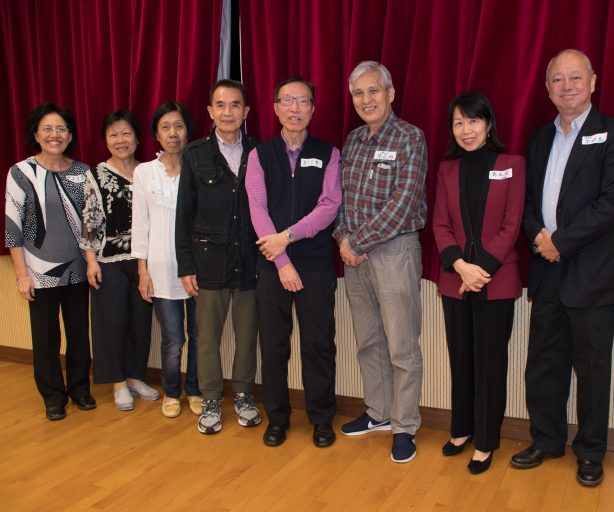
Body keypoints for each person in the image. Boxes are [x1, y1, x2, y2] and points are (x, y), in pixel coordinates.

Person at [511, 49, 614, 486]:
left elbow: (611, 203)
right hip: (546, 270)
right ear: (547, 88)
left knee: (593, 370)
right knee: (544, 364)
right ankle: (546, 440)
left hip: (592, 272)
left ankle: (591, 452)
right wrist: (539, 239)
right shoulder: (539, 137)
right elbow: (527, 200)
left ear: (593, 82)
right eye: (558, 80)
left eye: (575, 77)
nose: (567, 86)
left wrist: (559, 242)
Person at [333, 60, 428, 463]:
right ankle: (378, 412)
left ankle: (404, 426)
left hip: (394, 251)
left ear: (390, 93)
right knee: (369, 341)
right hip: (353, 255)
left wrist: (357, 241)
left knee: (402, 345)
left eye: (373, 90)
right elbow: (339, 198)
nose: (366, 99)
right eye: (358, 93)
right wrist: (343, 239)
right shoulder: (353, 140)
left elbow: (404, 203)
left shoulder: (410, 137)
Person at [245, 77, 341, 448]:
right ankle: (277, 418)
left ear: (313, 109)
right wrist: (282, 261)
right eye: (287, 100)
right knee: (273, 345)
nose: (295, 108)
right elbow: (258, 209)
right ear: (275, 108)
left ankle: (322, 418)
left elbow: (329, 206)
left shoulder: (329, 153)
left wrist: (287, 237)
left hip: (315, 264)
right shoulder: (259, 156)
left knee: (318, 344)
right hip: (272, 266)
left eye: (302, 101)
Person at [432, 91, 525, 474]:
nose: (466, 129)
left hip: (496, 280)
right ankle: (461, 429)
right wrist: (461, 267)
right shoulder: (447, 169)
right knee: (461, 359)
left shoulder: (512, 164)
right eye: (458, 122)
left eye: (473, 120)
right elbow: (440, 223)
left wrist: (479, 270)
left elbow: (512, 224)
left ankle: (485, 441)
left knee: (490, 364)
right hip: (455, 280)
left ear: (488, 124)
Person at [176, 79, 261, 435]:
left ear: (246, 111)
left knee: (248, 334)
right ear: (210, 112)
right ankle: (210, 398)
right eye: (221, 105)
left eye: (235, 105)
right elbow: (184, 214)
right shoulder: (194, 154)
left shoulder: (260, 151)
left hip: (251, 260)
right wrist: (185, 266)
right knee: (207, 337)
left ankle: (243, 394)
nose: (228, 112)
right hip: (208, 260)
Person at [5, 103, 94, 421]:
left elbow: (90, 223)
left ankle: (80, 389)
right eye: (47, 129)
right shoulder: (21, 171)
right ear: (36, 134)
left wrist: (91, 261)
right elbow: (13, 227)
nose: (54, 134)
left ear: (70, 135)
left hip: (78, 269)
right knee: (45, 337)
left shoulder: (83, 172)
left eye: (61, 129)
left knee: (79, 334)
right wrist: (21, 275)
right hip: (38, 272)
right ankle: (53, 396)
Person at [81, 110, 158, 411]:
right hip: (108, 260)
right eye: (113, 134)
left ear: (138, 138)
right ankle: (118, 383)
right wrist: (91, 260)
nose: (120, 140)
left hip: (143, 261)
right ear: (105, 140)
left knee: (140, 322)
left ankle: (136, 377)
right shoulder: (96, 175)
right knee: (112, 321)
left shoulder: (148, 172)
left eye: (126, 133)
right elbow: (90, 220)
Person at [131, 102, 202, 418]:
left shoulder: (198, 168)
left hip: (197, 268)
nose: (173, 133)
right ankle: (172, 392)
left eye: (179, 126)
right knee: (173, 339)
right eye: (165, 127)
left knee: (200, 336)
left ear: (188, 131)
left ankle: (196, 390)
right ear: (156, 134)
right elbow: (140, 223)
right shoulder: (144, 172)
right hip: (160, 269)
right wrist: (142, 270)